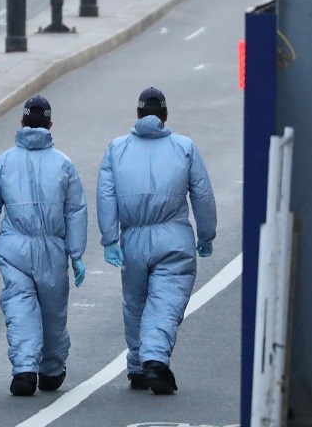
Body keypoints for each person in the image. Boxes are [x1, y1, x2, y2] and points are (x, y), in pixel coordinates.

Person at [97, 87, 217, 395]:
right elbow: (202, 194)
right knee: (165, 301)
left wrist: (110, 239)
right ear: (165, 115)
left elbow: (105, 195)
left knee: (136, 302)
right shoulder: (184, 147)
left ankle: (138, 365)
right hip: (173, 236)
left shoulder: (117, 148)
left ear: (138, 115)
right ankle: (154, 360)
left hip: (133, 239)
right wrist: (206, 235)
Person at [0, 95, 88, 397]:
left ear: (22, 123)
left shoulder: (4, 162)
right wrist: (76, 254)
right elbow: (75, 210)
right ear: (50, 125)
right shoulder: (64, 164)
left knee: (20, 306)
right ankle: (51, 368)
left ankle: (25, 367)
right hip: (53, 249)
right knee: (53, 311)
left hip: (14, 247)